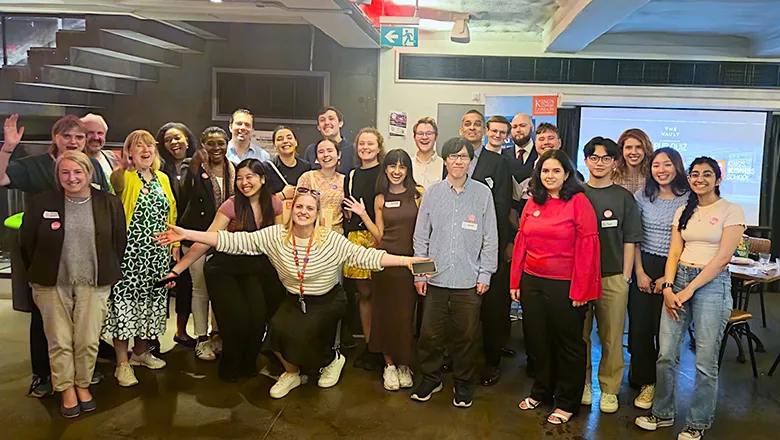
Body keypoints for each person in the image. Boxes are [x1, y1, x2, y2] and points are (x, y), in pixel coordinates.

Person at [156, 190, 426, 398]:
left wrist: (407, 262)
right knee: (276, 331)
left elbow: (368, 257)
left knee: (304, 335)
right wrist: (187, 234)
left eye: (310, 208)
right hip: (295, 299)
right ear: (291, 210)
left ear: (318, 214)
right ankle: (292, 372)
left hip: (328, 300)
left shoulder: (330, 239)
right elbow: (231, 240)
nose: (303, 212)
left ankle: (332, 360)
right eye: (299, 207)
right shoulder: (275, 235)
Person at [0, 114, 110, 398]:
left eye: (79, 137)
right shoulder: (35, 166)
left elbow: (103, 204)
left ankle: (79, 374)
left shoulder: (93, 166)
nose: (73, 142)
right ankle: (44, 374)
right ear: (55, 137)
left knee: (82, 319)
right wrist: (8, 147)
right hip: (45, 255)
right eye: (67, 136)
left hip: (83, 254)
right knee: (44, 319)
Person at [635, 157, 744, 440]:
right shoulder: (684, 210)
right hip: (679, 279)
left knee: (705, 361)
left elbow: (722, 259)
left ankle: (697, 422)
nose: (700, 179)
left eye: (707, 175)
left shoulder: (731, 210)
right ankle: (662, 413)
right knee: (666, 355)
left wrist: (689, 289)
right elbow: (674, 252)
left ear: (718, 179)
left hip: (710, 285)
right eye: (695, 175)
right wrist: (669, 286)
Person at [20, 151, 126, 418]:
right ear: (58, 175)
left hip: (94, 281)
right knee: (59, 341)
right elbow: (27, 243)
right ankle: (66, 388)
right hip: (51, 283)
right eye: (65, 172)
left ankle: (83, 384)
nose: (72, 177)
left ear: (89, 173)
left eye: (78, 172)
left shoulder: (109, 203)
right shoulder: (40, 203)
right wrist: (40, 272)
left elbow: (118, 242)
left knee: (88, 340)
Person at [158, 159, 284, 382]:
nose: (245, 183)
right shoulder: (231, 205)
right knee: (236, 319)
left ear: (262, 179)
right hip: (224, 268)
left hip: (255, 268)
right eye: (240, 178)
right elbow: (207, 240)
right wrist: (177, 270)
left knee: (256, 319)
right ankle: (229, 368)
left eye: (250, 177)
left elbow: (281, 241)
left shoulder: (274, 204)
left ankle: (248, 365)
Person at [510, 149, 601, 425]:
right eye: (545, 171)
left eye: (556, 171)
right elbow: (522, 242)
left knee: (568, 345)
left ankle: (566, 401)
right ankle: (542, 391)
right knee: (538, 341)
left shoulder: (578, 201)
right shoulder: (532, 202)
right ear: (539, 174)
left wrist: (582, 290)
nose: (550, 176)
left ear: (566, 174)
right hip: (532, 282)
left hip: (566, 285)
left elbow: (589, 247)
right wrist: (515, 281)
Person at [411, 137, 498, 409]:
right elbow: (421, 236)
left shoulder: (482, 193)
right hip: (435, 279)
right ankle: (430, 378)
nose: (458, 161)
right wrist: (420, 275)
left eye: (463, 156)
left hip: (468, 281)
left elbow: (490, 237)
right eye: (453, 156)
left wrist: (485, 274)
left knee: (467, 337)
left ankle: (462, 383)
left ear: (470, 161)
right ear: (445, 160)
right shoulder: (433, 193)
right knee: (430, 335)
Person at [344, 149, 423, 390]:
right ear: (385, 169)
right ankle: (389, 365)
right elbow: (378, 236)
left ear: (407, 170)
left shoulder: (418, 194)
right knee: (384, 314)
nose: (396, 171)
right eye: (392, 166)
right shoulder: (380, 198)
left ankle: (404, 364)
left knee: (405, 317)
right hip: (385, 261)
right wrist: (363, 215)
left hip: (410, 263)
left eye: (402, 167)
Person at [105, 130, 178, 387]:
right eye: (138, 146)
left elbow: (172, 211)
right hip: (129, 254)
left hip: (156, 255)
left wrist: (175, 246)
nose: (145, 150)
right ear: (130, 152)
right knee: (125, 306)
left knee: (150, 304)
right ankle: (122, 364)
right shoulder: (123, 177)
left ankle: (141, 352)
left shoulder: (163, 178)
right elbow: (112, 198)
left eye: (149, 145)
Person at [581, 137, 643, 413]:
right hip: (579, 278)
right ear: (586, 161)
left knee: (612, 336)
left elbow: (631, 238)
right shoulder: (576, 195)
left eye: (606, 158)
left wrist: (625, 276)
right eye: (594, 157)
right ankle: (581, 383)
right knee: (578, 335)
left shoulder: (623, 197)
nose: (599, 163)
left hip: (613, 277)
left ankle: (609, 389)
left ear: (615, 162)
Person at [629, 147, 690, 410]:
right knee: (640, 329)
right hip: (644, 264)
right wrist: (640, 272)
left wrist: (666, 277)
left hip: (676, 267)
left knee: (666, 331)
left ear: (677, 167)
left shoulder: (690, 199)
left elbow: (687, 241)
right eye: (656, 165)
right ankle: (646, 382)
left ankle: (665, 383)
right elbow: (635, 237)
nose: (661, 170)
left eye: (667, 165)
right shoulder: (642, 196)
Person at [176, 126, 236, 361]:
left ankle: (216, 334)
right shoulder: (191, 167)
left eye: (221, 143)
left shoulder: (233, 169)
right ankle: (201, 339)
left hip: (224, 238)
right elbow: (185, 195)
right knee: (200, 289)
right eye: (211, 143)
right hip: (197, 234)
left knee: (220, 289)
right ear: (202, 145)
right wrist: (194, 167)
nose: (216, 148)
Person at [473, 115, 514, 387]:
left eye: (503, 131)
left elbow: (501, 209)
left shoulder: (502, 164)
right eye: (494, 130)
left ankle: (491, 361)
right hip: (463, 245)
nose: (497, 134)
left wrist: (495, 246)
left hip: (491, 244)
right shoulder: (470, 158)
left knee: (493, 306)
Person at [342, 127, 385, 369]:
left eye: (370, 144)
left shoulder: (386, 173)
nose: (365, 148)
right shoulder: (352, 175)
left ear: (379, 147)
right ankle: (370, 345)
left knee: (382, 294)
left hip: (380, 237)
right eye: (361, 144)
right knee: (364, 294)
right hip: (357, 238)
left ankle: (383, 344)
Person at [154, 122, 199, 348]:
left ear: (187, 139)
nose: (173, 143)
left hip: (191, 233)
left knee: (188, 287)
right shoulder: (159, 169)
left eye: (177, 137)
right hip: (165, 234)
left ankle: (181, 331)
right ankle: (151, 337)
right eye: (168, 140)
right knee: (166, 283)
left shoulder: (199, 165)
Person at [297, 138, 346, 234]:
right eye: (321, 152)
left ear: (338, 154)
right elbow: (297, 207)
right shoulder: (307, 177)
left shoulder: (344, 180)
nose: (325, 155)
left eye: (330, 150)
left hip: (336, 236)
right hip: (310, 233)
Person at [264, 126, 312, 201]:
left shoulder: (306, 167)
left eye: (289, 138)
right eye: (280, 139)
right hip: (277, 212)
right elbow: (261, 200)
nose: (285, 141)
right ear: (274, 146)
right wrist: (283, 194)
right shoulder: (266, 167)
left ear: (296, 142)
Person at [303, 106, 354, 173]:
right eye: (322, 120)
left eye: (331, 119)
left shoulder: (353, 149)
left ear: (340, 123)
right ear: (318, 127)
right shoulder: (311, 150)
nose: (327, 123)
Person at [81, 113, 118, 188]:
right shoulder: (75, 161)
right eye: (90, 133)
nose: (96, 137)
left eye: (100, 133)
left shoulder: (112, 157)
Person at [614, 128, 654, 194]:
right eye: (628, 147)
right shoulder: (611, 179)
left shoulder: (654, 179)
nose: (634, 152)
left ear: (645, 150)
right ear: (621, 150)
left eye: (639, 147)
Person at [411, 117, 444, 189]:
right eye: (420, 133)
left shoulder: (444, 165)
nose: (424, 137)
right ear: (414, 138)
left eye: (429, 133)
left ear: (436, 137)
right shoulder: (408, 164)